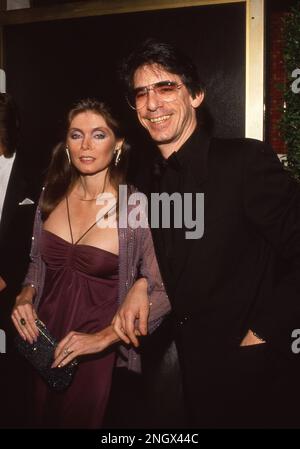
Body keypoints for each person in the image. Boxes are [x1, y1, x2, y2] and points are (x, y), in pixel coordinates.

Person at [114, 38, 300, 428]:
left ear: (196, 94)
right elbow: (175, 259)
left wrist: (263, 332)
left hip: (254, 373)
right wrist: (142, 284)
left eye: (166, 87)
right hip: (188, 374)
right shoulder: (150, 180)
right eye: (141, 93)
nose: (152, 104)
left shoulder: (244, 162)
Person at [12, 98, 170, 429]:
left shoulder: (135, 207)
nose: (85, 145)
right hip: (41, 344)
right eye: (76, 135)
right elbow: (37, 265)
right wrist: (26, 294)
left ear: (118, 145)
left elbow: (164, 289)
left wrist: (104, 338)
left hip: (96, 358)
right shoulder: (51, 193)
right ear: (66, 144)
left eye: (98, 135)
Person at [0, 93, 40, 428]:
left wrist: (8, 278)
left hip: (14, 294)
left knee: (15, 381)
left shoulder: (37, 172)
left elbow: (43, 241)